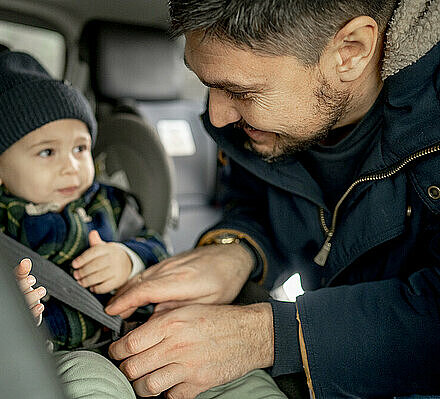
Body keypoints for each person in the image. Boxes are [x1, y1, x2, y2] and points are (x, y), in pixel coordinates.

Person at [104, 0, 440, 398]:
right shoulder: (268, 120)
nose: (216, 116)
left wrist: (266, 335)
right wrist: (235, 251)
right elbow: (255, 200)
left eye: (240, 92)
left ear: (350, 51)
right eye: (206, 84)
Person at [0, 51, 170, 398]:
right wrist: (6, 306)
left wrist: (129, 259)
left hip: (135, 336)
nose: (71, 166)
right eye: (47, 152)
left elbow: (158, 247)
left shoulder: (108, 202)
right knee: (91, 382)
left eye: (80, 148)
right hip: (58, 355)